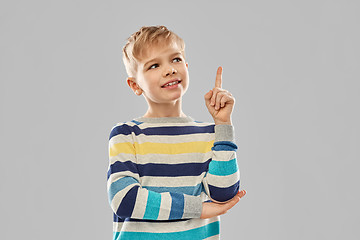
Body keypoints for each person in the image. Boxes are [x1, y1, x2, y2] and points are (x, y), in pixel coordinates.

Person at [107, 25, 246, 240]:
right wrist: (198, 208)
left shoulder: (210, 134)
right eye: (154, 65)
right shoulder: (127, 134)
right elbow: (125, 200)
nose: (170, 69)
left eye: (176, 59)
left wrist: (223, 125)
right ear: (135, 85)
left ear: (187, 66)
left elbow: (224, 194)